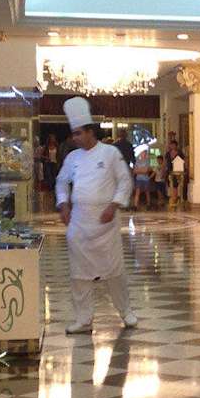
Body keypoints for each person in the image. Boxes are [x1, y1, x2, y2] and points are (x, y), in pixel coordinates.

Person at [55, 97, 136, 333]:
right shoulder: (72, 157)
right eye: (73, 134)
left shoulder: (110, 153)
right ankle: (83, 319)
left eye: (78, 133)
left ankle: (126, 312)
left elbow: (124, 181)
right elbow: (61, 182)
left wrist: (114, 205)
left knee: (114, 272)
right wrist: (63, 204)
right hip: (79, 223)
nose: (75, 138)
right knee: (79, 275)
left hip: (105, 224)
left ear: (90, 132)